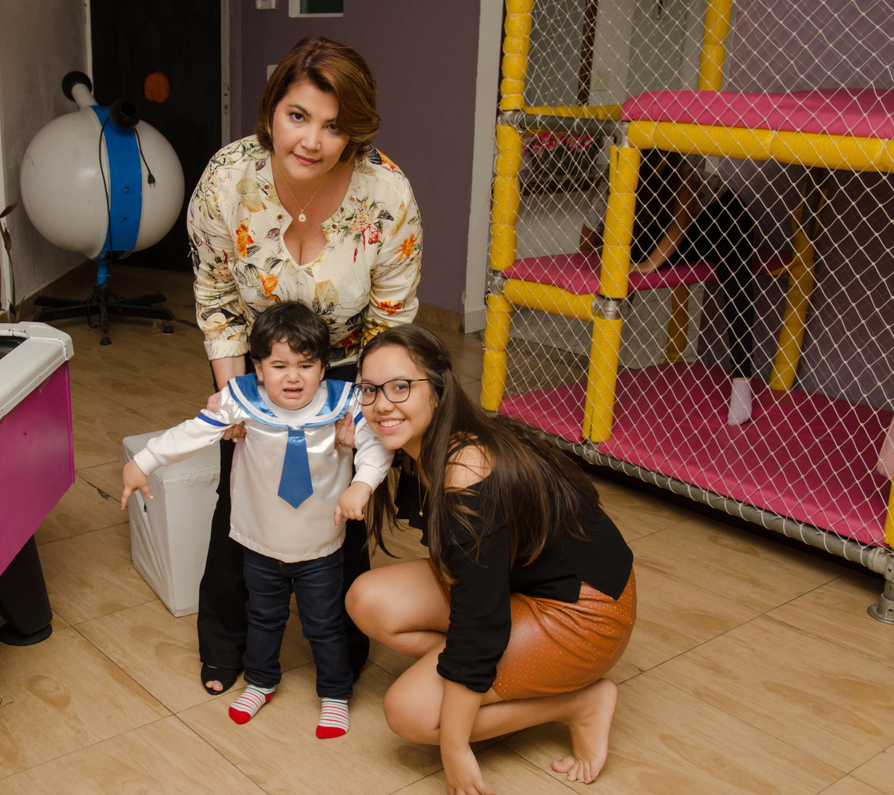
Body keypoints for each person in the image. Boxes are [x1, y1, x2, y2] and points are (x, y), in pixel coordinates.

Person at [187, 35, 423, 694]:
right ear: (271, 111)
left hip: (348, 367)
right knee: (239, 496)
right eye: (298, 116)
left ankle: (341, 650)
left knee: (342, 509)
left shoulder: (388, 194)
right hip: (256, 364)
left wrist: (365, 411)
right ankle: (226, 641)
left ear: (357, 131)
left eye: (334, 126)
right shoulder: (226, 179)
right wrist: (238, 401)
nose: (312, 141)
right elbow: (216, 300)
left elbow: (391, 322)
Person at [345, 325, 636, 794]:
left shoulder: (467, 468)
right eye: (369, 390)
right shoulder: (421, 444)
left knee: (410, 715)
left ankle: (580, 703)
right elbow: (474, 592)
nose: (381, 405)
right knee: (366, 599)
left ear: (438, 389)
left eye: (400, 387)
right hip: (520, 588)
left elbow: (479, 619)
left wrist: (454, 745)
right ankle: (493, 677)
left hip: (584, 613)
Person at [122, 302, 393, 737]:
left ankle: (335, 693)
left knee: (324, 623)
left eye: (306, 365)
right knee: (263, 617)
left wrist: (362, 484)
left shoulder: (343, 403)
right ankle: (261, 681)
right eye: (279, 365)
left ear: (324, 368)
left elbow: (378, 446)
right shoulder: (240, 399)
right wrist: (143, 462)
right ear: (259, 367)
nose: (293, 377)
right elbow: (193, 432)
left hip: (320, 546)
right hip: (259, 542)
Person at [579, 149, 758, 425]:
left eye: (665, 159)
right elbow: (586, 243)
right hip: (671, 233)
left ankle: (741, 381)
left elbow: (681, 221)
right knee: (627, 251)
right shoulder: (617, 176)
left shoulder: (682, 159)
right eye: (655, 159)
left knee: (734, 269)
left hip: (721, 216)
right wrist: (614, 250)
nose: (662, 164)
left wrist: (650, 264)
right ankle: (602, 366)